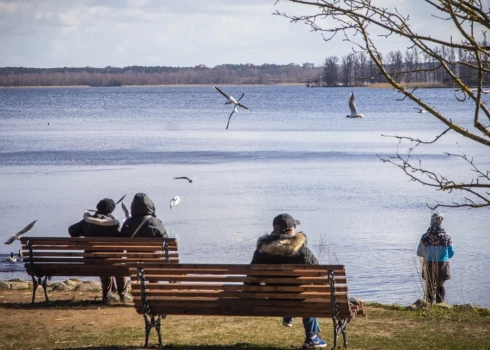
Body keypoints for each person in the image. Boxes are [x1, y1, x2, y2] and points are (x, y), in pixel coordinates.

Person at [251, 213, 327, 349]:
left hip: (273, 299)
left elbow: (251, 276)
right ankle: (312, 337)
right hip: (298, 298)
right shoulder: (301, 249)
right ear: (291, 230)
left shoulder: (262, 250)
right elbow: (318, 273)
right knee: (307, 293)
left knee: (291, 290)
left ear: (274, 229)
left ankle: (288, 314)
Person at [68, 198, 131, 303]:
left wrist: (85, 232)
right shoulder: (115, 224)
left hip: (91, 260)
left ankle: (107, 295)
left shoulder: (86, 222)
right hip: (112, 260)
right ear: (111, 211)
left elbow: (72, 231)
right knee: (116, 262)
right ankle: (123, 295)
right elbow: (124, 239)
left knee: (101, 259)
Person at [417, 212, 455, 304]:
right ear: (442, 222)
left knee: (429, 284)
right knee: (440, 284)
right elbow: (451, 253)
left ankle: (428, 303)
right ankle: (440, 303)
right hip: (442, 263)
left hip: (428, 263)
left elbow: (419, 252)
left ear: (431, 221)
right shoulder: (446, 237)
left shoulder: (425, 236)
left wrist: (428, 254)